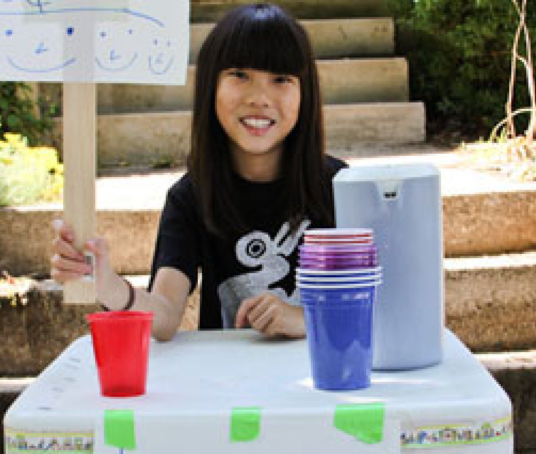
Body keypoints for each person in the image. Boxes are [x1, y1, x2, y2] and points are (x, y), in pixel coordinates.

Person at [51, 3, 346, 341]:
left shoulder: (341, 187)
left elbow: (380, 303)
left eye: (281, 79)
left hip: (325, 380)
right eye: (240, 75)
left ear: (305, 95)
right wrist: (107, 284)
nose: (260, 98)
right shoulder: (191, 197)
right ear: (210, 87)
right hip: (225, 385)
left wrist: (306, 319)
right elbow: (163, 316)